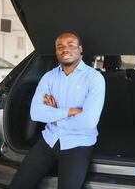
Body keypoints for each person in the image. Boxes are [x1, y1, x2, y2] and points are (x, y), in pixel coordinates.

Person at [9, 32, 105, 189]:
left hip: (78, 143)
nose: (65, 49)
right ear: (56, 52)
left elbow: (89, 121)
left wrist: (53, 116)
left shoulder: (94, 78)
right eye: (60, 47)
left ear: (80, 49)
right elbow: (36, 113)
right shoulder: (49, 77)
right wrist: (70, 111)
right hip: (49, 139)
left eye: (71, 45)